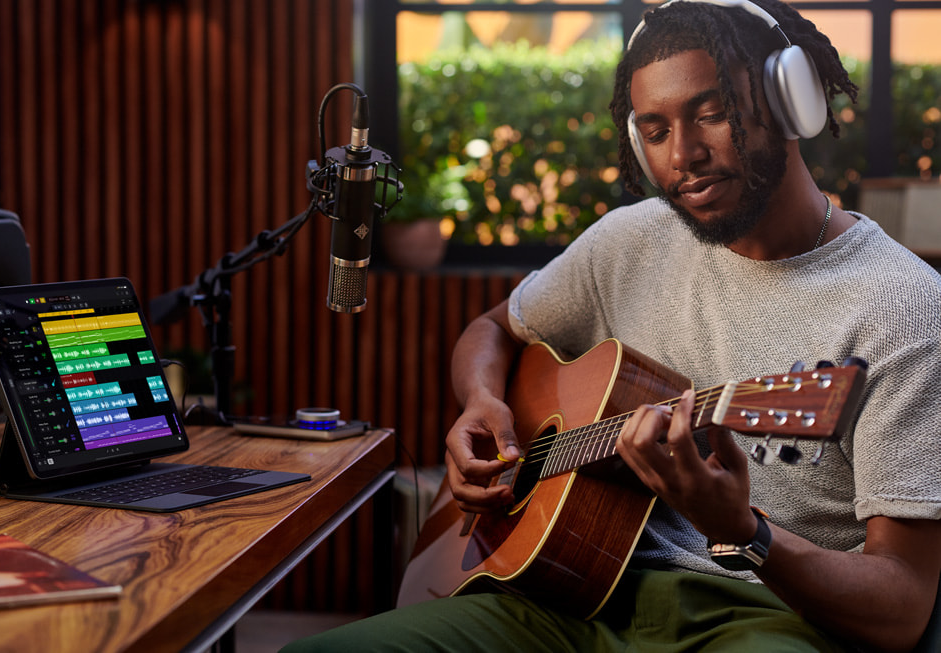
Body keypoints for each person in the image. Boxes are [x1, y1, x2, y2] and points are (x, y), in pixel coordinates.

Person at [283, 1, 941, 650]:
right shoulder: (631, 242)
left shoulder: (900, 305)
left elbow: (902, 608)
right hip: (570, 592)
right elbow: (493, 328)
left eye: (711, 113)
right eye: (654, 132)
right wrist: (482, 402)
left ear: (789, 98)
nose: (682, 154)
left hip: (766, 615)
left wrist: (747, 531)